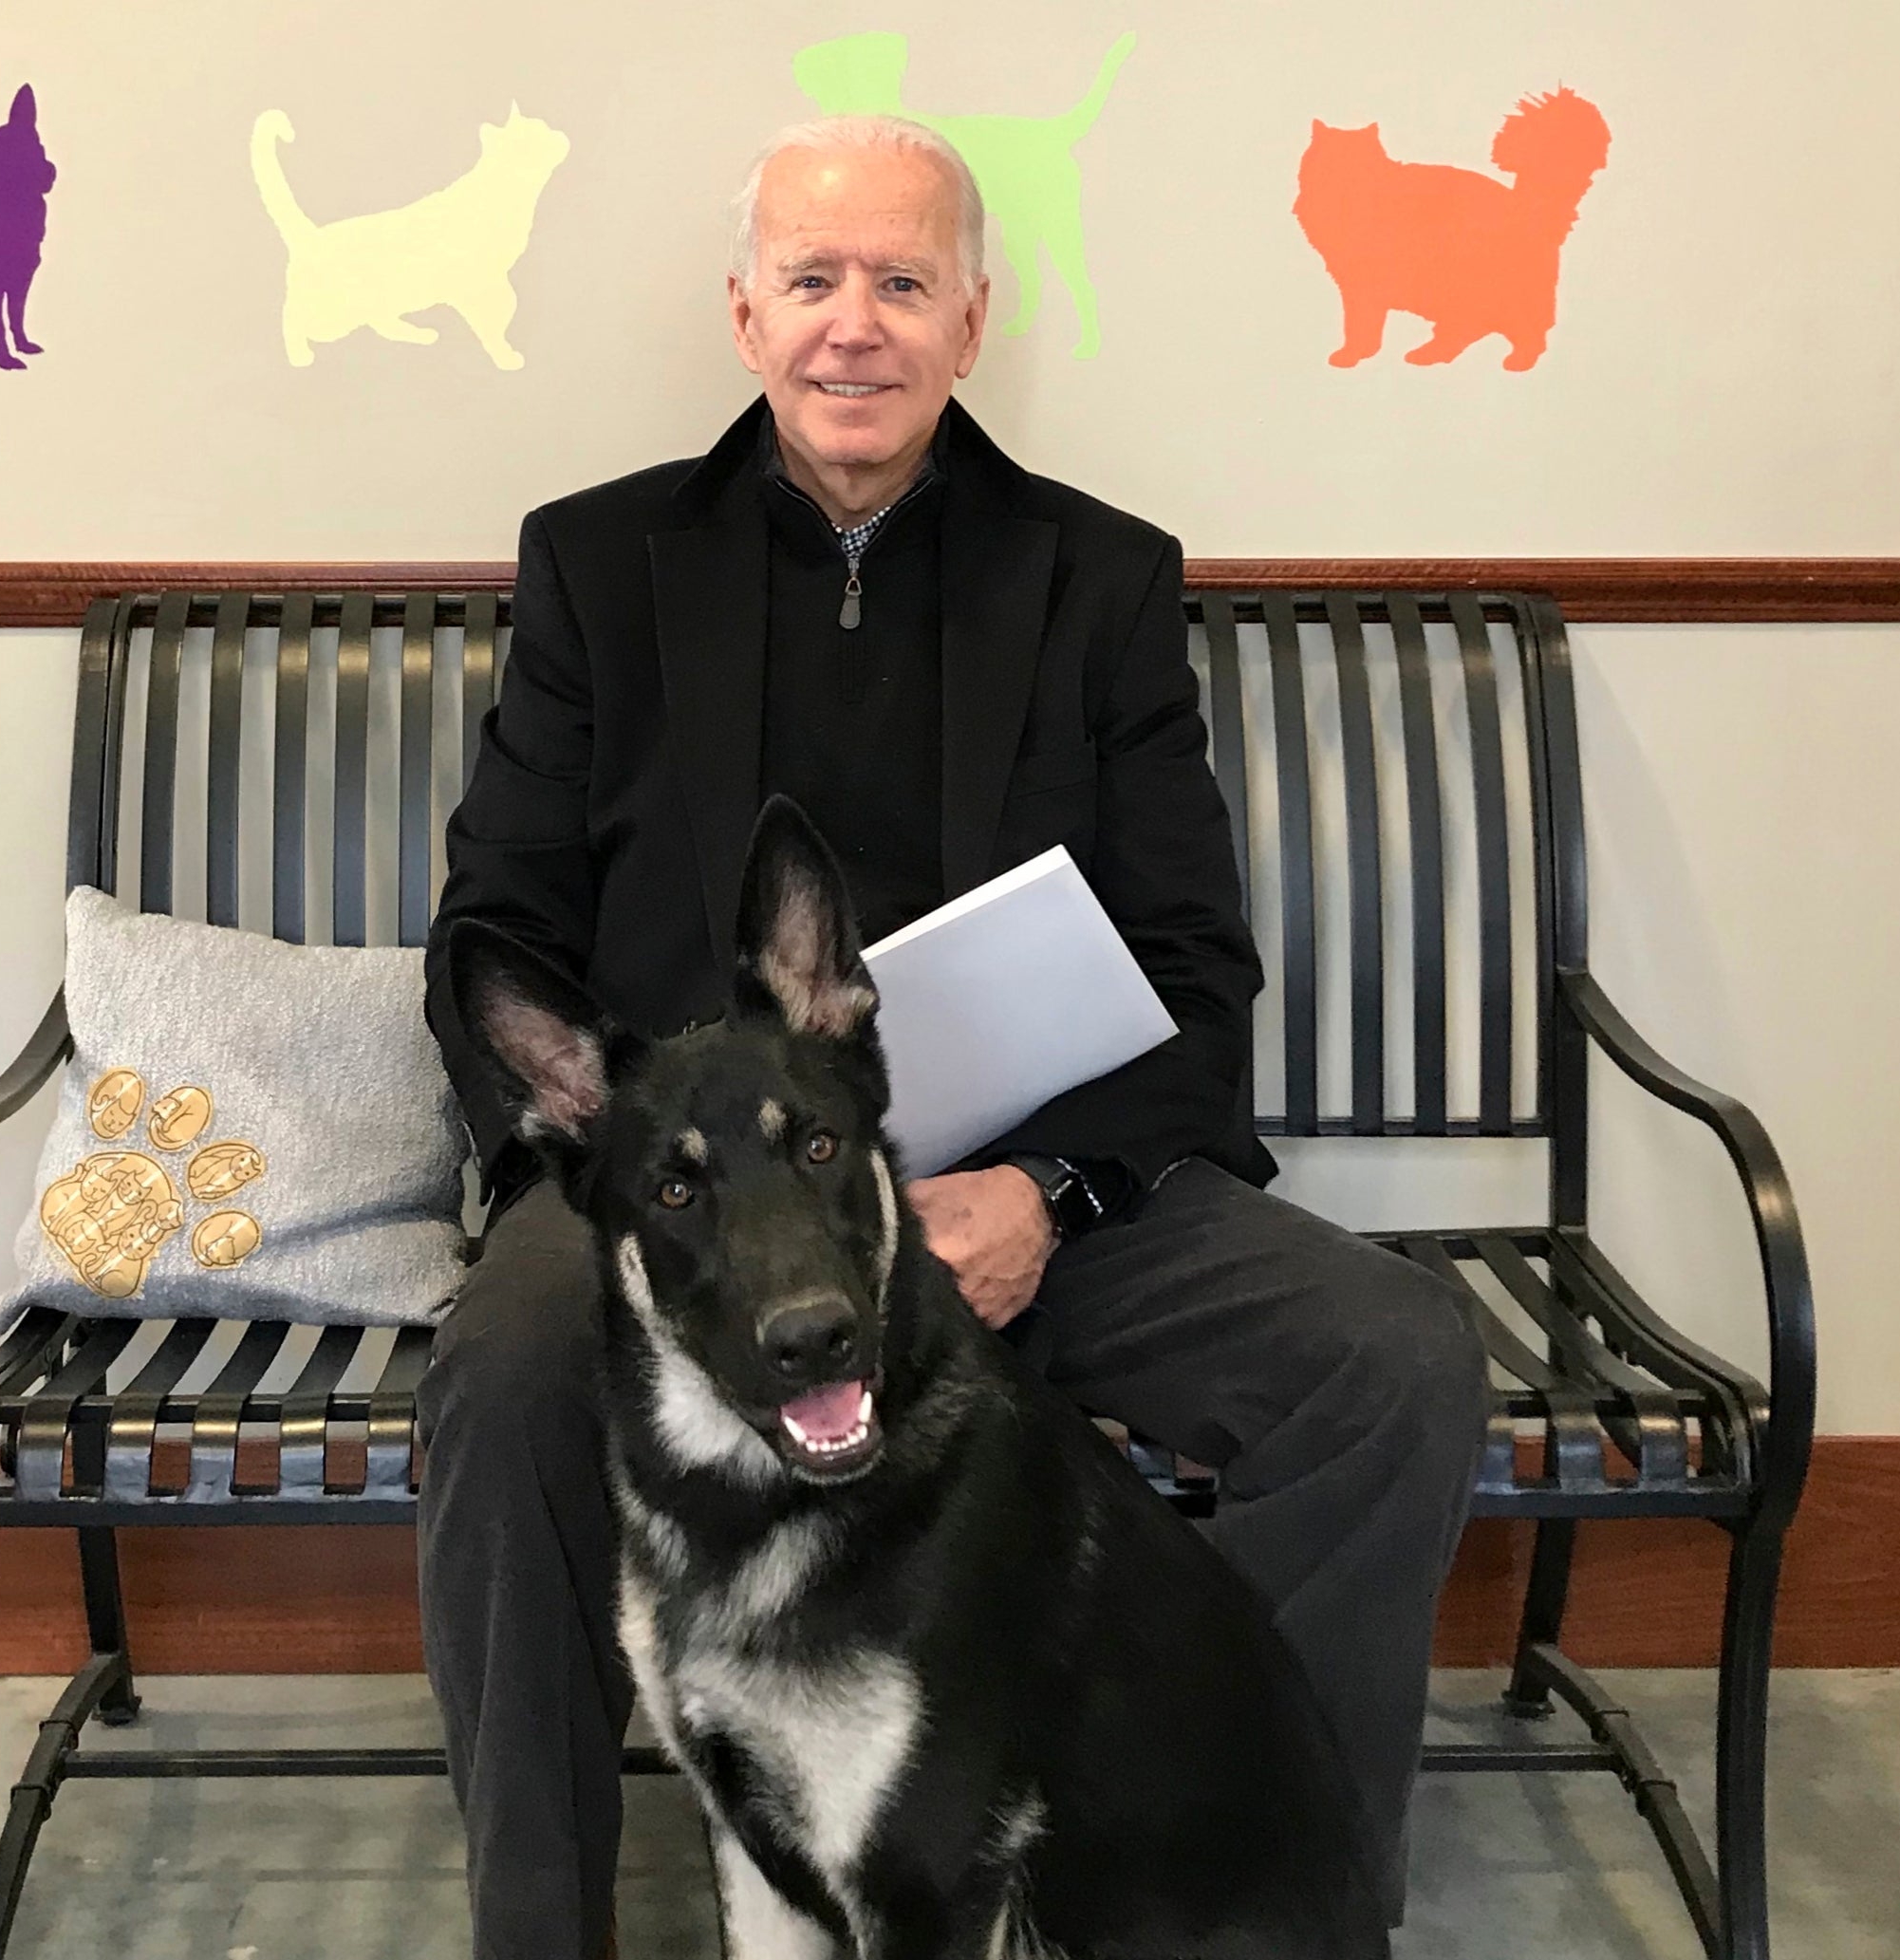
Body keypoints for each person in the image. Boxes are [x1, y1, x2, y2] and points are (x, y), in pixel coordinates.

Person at [418, 114, 1489, 1960]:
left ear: (971, 319)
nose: (856, 324)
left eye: (901, 281)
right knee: (512, 1373)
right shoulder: (599, 568)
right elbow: (495, 924)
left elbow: (1188, 963)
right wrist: (604, 1169)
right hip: (698, 1195)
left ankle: (1237, 1903)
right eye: (814, 280)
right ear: (743, 313)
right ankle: (539, 1929)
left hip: (1022, 1184)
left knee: (1388, 1361)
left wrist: (1054, 1191)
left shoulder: (1099, 579)